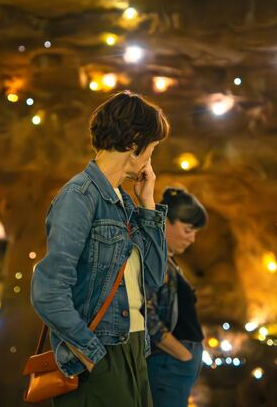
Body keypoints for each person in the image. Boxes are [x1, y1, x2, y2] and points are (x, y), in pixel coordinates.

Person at [31, 91, 170, 406]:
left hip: (134, 347)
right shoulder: (78, 197)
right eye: (152, 148)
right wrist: (93, 357)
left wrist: (148, 205)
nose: (151, 158)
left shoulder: (123, 201)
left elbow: (153, 278)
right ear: (135, 144)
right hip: (99, 353)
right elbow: (48, 292)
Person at [146, 187, 208, 407]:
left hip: (174, 364)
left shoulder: (169, 261)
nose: (192, 239)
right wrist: (181, 354)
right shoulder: (156, 259)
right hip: (168, 363)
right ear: (165, 221)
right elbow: (145, 313)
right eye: (188, 229)